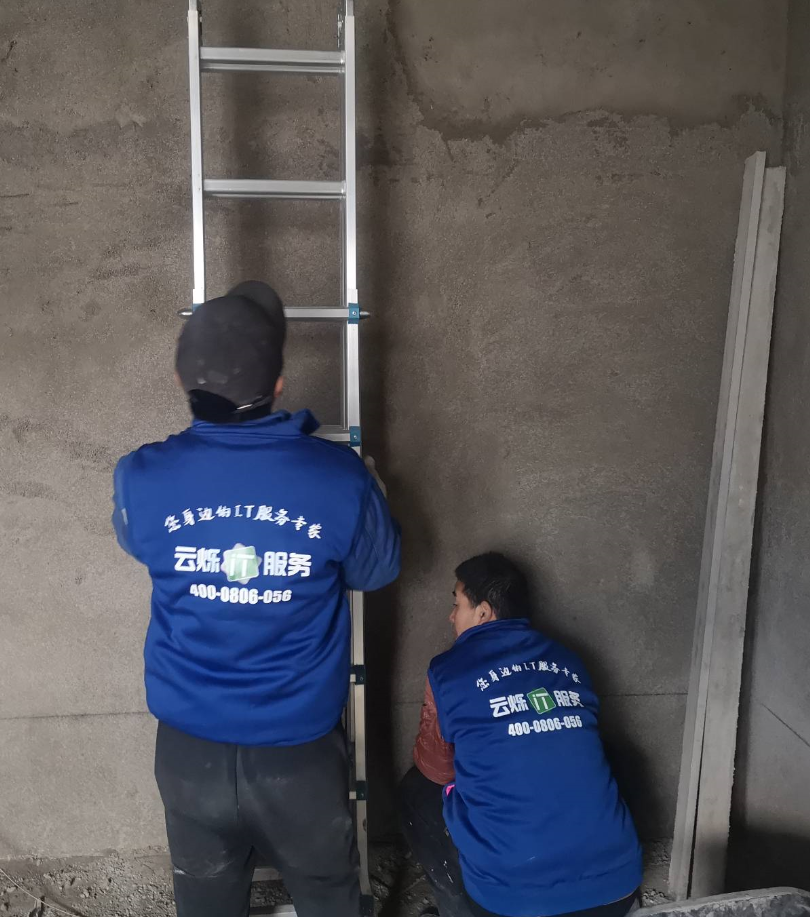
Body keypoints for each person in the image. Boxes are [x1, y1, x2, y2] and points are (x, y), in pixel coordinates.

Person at [111, 280, 401, 917]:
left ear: (181, 378)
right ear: (279, 385)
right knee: (328, 898)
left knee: (205, 901)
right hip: (299, 756)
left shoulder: (140, 477)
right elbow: (375, 572)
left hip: (188, 755)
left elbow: (139, 544)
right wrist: (368, 492)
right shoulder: (339, 480)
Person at [399, 552, 642, 917]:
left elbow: (436, 768)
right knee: (606, 759)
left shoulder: (448, 670)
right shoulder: (569, 658)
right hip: (617, 890)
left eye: (457, 604)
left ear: (483, 612)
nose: (451, 616)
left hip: (510, 902)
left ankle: (456, 910)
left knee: (418, 791)